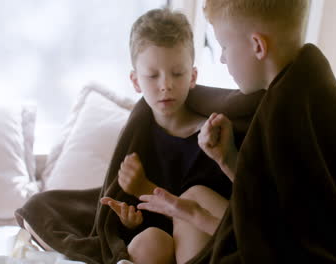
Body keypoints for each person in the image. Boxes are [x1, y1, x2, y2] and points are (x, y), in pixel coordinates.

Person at [136, 0, 336, 263]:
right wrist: (229, 161)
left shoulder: (295, 110)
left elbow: (286, 241)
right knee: (196, 196)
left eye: (224, 46)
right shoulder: (299, 88)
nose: (223, 59)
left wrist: (191, 214)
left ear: (257, 46)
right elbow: (283, 200)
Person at [98, 8, 236, 264]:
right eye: (152, 76)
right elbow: (142, 219)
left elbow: (223, 220)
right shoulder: (140, 132)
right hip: (163, 243)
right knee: (148, 240)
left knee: (194, 195)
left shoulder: (210, 135)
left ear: (193, 76)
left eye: (177, 73)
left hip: (207, 245)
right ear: (136, 81)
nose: (165, 85)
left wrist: (145, 189)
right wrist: (129, 222)